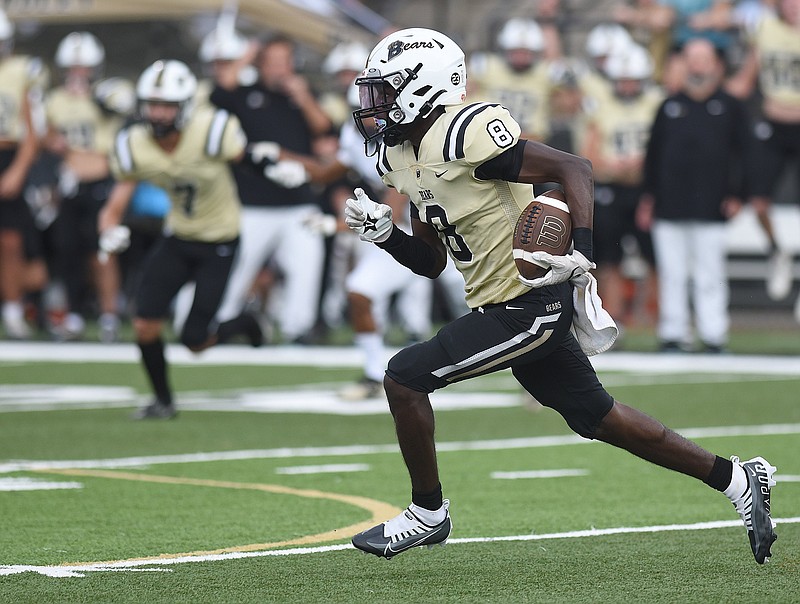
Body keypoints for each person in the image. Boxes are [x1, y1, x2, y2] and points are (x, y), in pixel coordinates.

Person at [345, 27, 776, 564]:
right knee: (601, 418)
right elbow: (431, 263)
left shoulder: (465, 131)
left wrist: (583, 251)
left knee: (403, 377)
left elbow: (574, 168)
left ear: (423, 86)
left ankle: (428, 513)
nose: (374, 106)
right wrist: (386, 235)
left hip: (531, 303)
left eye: (385, 91)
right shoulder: (399, 156)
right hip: (498, 304)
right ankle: (739, 479)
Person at [97, 60, 278, 419]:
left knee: (194, 341)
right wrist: (108, 231)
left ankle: (247, 323)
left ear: (184, 107)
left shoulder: (211, 129)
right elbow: (114, 204)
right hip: (178, 236)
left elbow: (248, 160)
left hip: (220, 241)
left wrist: (277, 169)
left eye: (166, 105)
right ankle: (163, 401)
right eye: (153, 104)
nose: (158, 113)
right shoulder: (134, 144)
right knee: (144, 323)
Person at [208, 35, 332, 344]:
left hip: (299, 202)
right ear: (260, 64)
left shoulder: (303, 95)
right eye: (273, 62)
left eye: (285, 61)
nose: (280, 68)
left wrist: (304, 98)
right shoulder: (244, 94)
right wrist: (245, 56)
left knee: (306, 268)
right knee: (237, 270)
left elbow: (326, 130)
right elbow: (218, 94)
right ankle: (220, 324)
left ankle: (298, 330)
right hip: (253, 202)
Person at [638, 38, 752, 353]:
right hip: (668, 205)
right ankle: (672, 333)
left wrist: (737, 194)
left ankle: (713, 334)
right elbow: (653, 155)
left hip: (712, 205)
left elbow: (744, 155)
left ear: (716, 64)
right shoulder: (669, 105)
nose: (697, 64)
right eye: (691, 58)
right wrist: (648, 197)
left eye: (703, 58)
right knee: (672, 273)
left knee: (709, 273)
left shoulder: (730, 107)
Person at [43, 32, 126, 342]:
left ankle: (108, 315)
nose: (79, 74)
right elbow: (46, 136)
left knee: (102, 251)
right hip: (70, 183)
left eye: (84, 68)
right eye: (73, 68)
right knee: (69, 252)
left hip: (102, 181)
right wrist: (54, 142)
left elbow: (123, 106)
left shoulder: (108, 93)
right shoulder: (55, 100)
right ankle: (74, 313)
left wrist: (96, 96)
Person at [580, 44, 663, 330]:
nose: (627, 86)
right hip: (610, 188)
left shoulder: (656, 102)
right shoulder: (600, 104)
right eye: (622, 81)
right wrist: (611, 165)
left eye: (632, 81)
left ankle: (651, 315)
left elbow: (666, 146)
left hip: (644, 190)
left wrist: (643, 163)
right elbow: (588, 151)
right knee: (608, 256)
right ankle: (613, 316)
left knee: (655, 256)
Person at [726, 0, 798, 316]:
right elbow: (746, 77)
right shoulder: (765, 27)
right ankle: (776, 251)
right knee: (758, 201)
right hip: (773, 122)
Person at [0, 9, 44, 339]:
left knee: (12, 242)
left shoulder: (20, 72)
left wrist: (17, 170)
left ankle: (14, 310)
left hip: (8, 154)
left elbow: (33, 132)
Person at [468, 18, 552, 142]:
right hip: (489, 141)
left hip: (531, 142)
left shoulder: (545, 73)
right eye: (516, 52)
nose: (521, 58)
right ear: (505, 50)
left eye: (526, 53)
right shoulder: (486, 67)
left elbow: (568, 102)